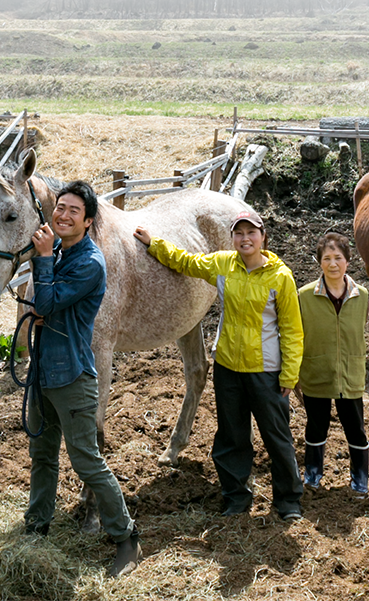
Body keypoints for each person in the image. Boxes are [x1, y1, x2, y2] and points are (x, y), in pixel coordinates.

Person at [134, 211, 305, 521]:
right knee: (231, 436)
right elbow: (186, 262)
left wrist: (290, 374)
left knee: (276, 435)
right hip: (227, 366)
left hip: (265, 369)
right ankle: (236, 497)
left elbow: (293, 330)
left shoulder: (281, 277)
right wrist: (154, 243)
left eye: (250, 232)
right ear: (233, 239)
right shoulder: (224, 264)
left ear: (262, 237)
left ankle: (288, 500)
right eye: (238, 233)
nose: (244, 238)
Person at [25, 180, 141, 578]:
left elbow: (44, 302)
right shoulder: (58, 253)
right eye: (60, 207)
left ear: (88, 220)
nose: (63, 214)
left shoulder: (89, 262)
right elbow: (41, 306)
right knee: (42, 456)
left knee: (87, 462)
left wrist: (41, 262)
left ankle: (126, 538)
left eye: (74, 210)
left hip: (73, 376)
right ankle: (36, 524)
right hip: (43, 371)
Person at [297, 232, 369, 496]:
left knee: (356, 429)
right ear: (320, 263)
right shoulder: (304, 295)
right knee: (316, 426)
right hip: (317, 372)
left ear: (347, 261)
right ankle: (312, 476)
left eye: (338, 257)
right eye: (326, 258)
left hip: (350, 374)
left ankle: (360, 481)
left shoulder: (361, 295)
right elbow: (297, 334)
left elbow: (359, 330)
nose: (332, 263)